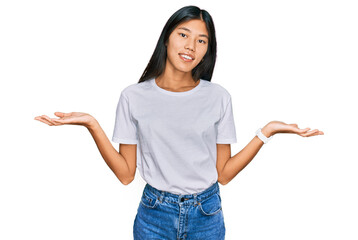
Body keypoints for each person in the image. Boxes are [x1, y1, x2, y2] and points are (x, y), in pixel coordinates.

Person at [34, 5, 324, 240]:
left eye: (201, 41)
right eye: (183, 35)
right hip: (154, 214)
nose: (191, 46)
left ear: (207, 50)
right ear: (167, 38)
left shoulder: (218, 97)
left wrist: (266, 131)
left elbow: (223, 173)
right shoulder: (133, 97)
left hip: (207, 214)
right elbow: (125, 174)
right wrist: (92, 125)